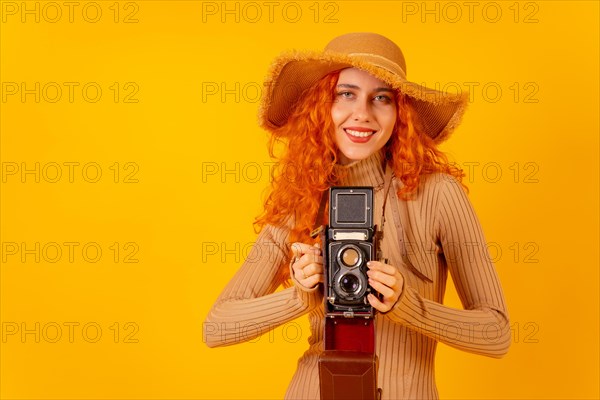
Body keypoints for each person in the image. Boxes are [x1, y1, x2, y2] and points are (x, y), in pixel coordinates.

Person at [203, 32, 510, 399]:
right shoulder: (302, 195)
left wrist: (408, 306)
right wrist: (300, 296)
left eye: (381, 98)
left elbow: (496, 334)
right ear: (322, 105)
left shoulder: (438, 194)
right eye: (345, 94)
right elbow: (216, 328)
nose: (362, 113)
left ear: (400, 114)